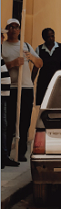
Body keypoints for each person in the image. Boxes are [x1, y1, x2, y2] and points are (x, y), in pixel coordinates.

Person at [2, 19, 43, 162]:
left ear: (19, 30)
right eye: (11, 27)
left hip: (26, 88)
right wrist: (13, 63)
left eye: (16, 27)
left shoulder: (25, 45)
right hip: (10, 88)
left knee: (24, 121)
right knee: (9, 122)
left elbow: (40, 63)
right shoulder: (3, 46)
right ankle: (6, 153)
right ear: (7, 30)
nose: (13, 29)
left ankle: (21, 153)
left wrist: (31, 57)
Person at [31, 28, 61, 105]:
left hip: (57, 82)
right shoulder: (39, 49)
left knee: (57, 103)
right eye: (48, 37)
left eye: (52, 36)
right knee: (44, 104)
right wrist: (31, 81)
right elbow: (35, 69)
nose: (51, 39)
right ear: (44, 38)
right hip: (43, 82)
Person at [1, 29, 19, 168]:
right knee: (3, 125)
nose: (3, 37)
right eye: (1, 35)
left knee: (4, 125)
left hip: (4, 95)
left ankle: (3, 156)